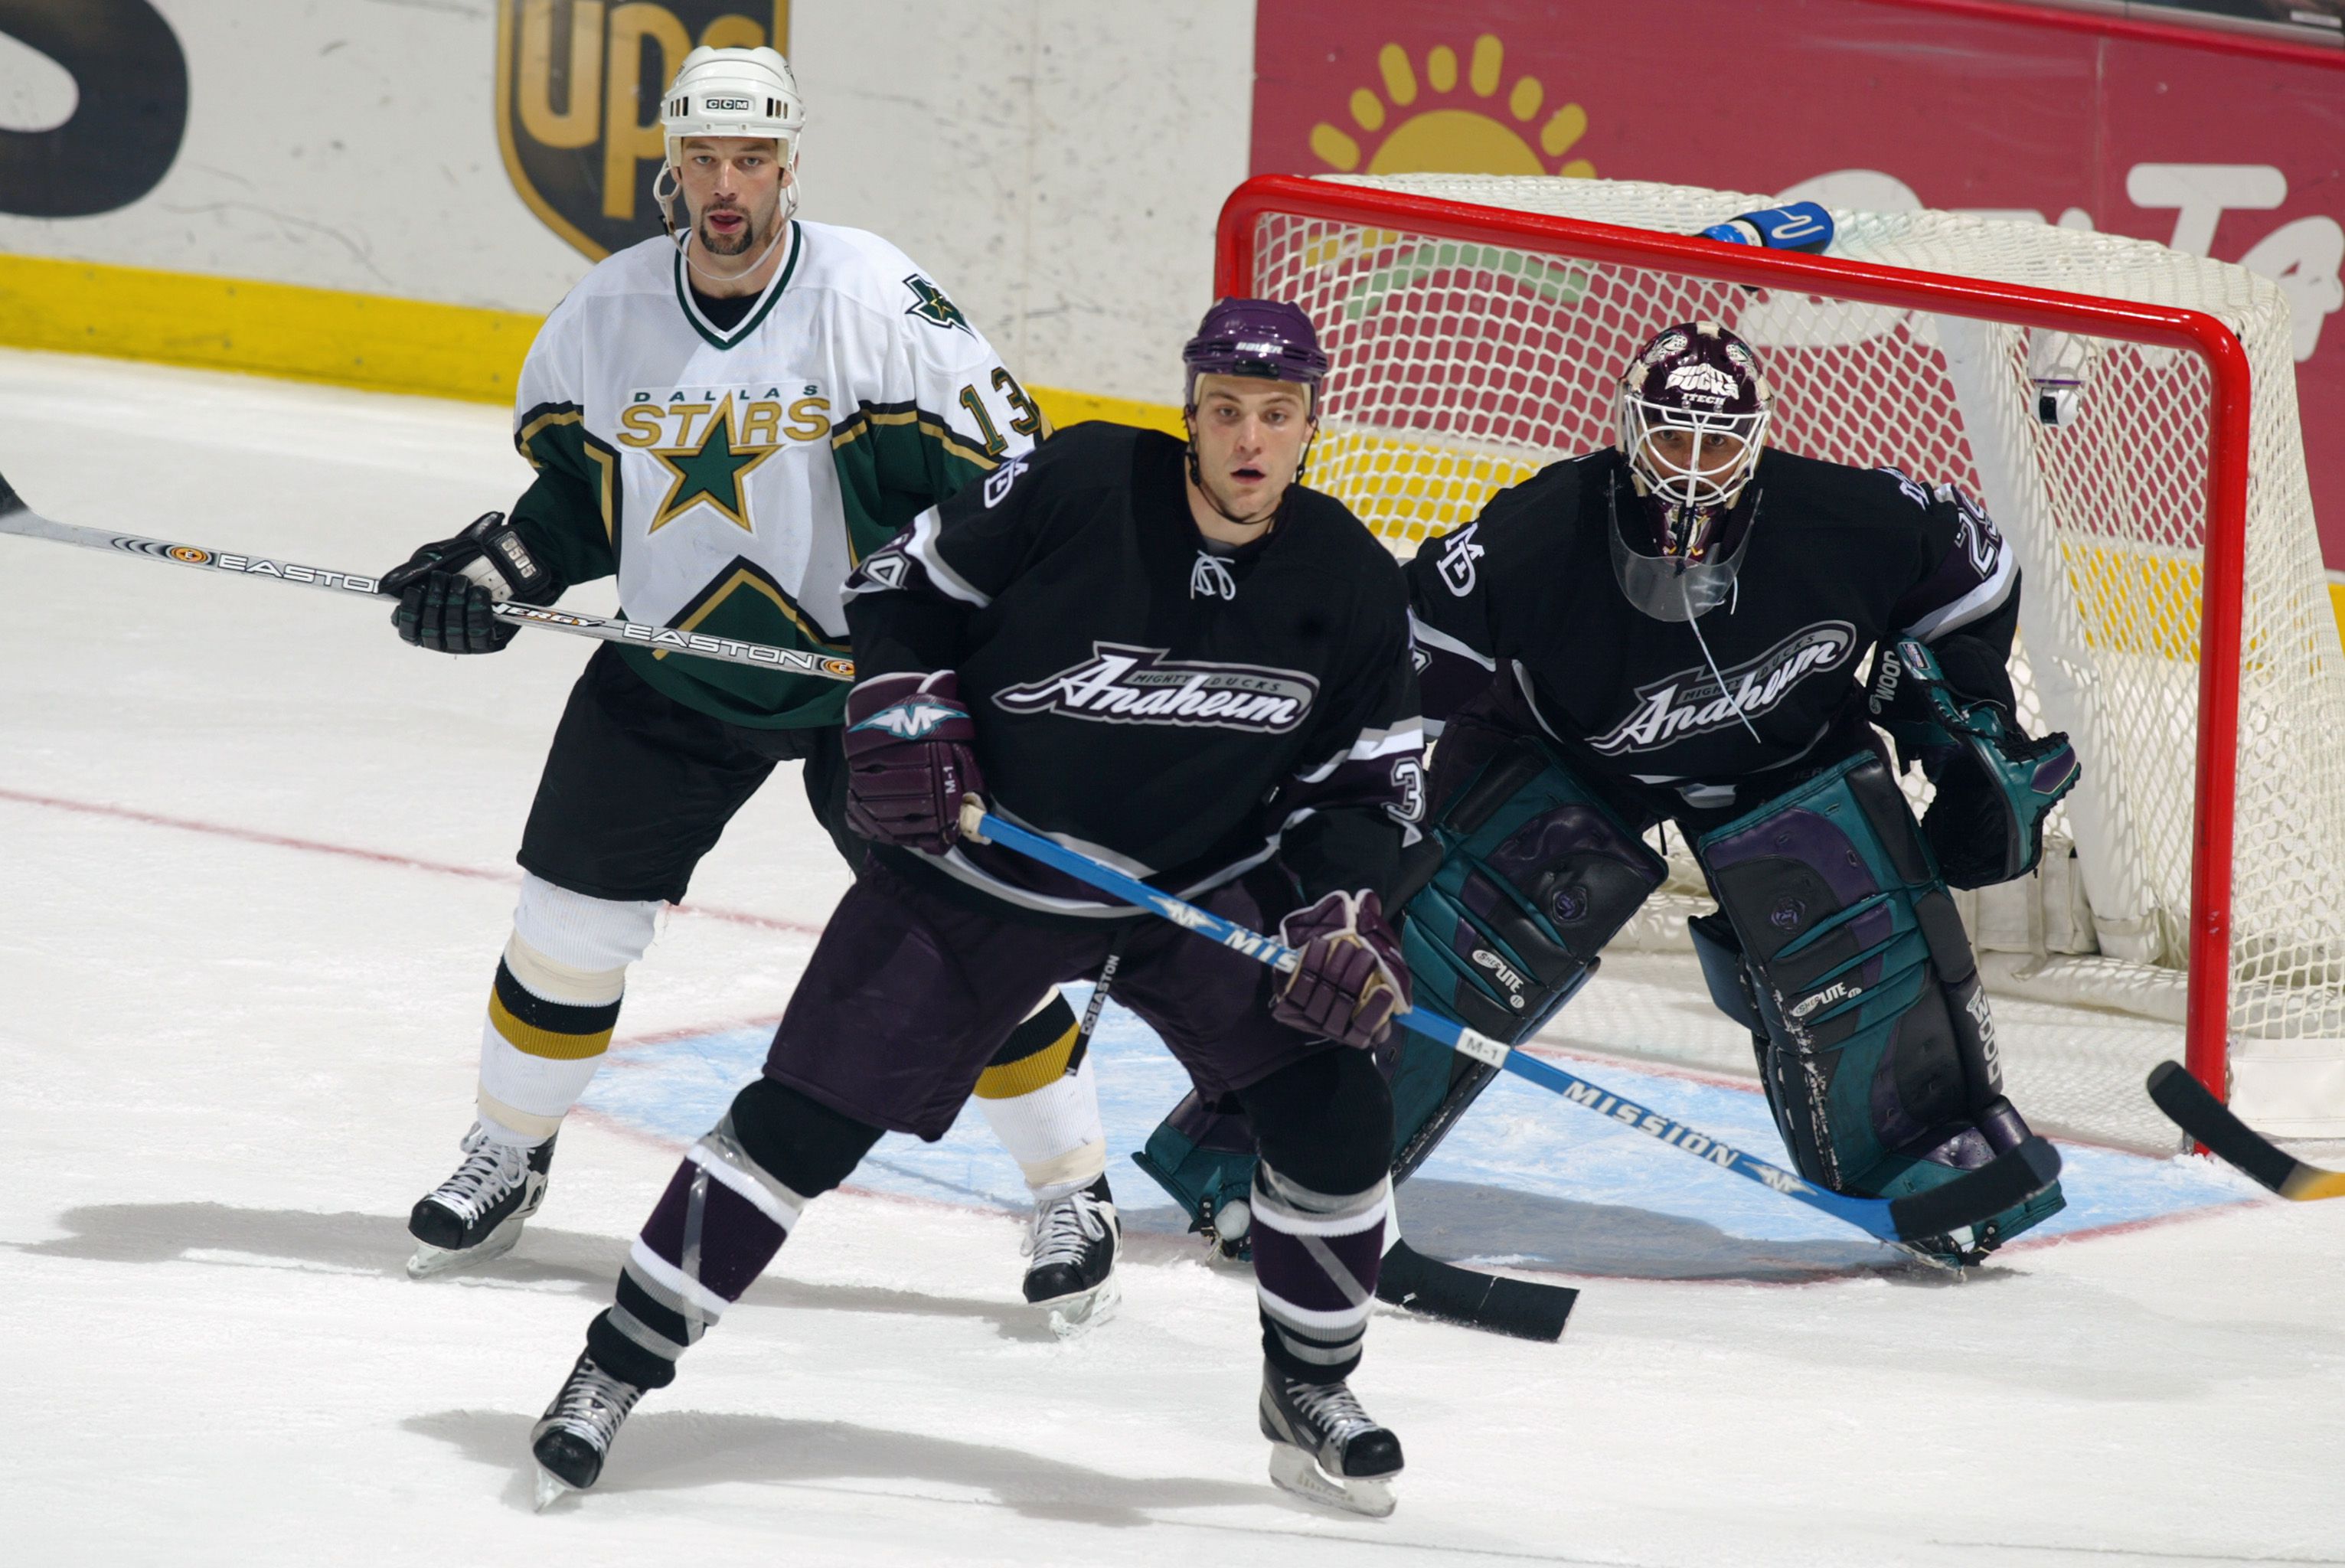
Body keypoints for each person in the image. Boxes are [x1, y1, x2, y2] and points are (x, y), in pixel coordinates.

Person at [524, 299, 1427, 1518]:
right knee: (796, 1128)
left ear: (1311, 425)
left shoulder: (1350, 581)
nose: (1247, 441)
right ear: (1190, 411)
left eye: (1274, 416)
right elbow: (899, 586)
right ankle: (611, 1372)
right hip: (977, 875)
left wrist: (1338, 911)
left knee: (1332, 1104)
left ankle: (1309, 1386)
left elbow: (1367, 786)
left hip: (1189, 891)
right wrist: (903, 700)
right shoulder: (1082, 482)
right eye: (1224, 411)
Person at [380, 45, 1116, 1321]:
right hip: (672, 668)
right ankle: (511, 1147)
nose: (726, 187)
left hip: (866, 686)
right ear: (672, 165)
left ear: (789, 164)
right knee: (567, 922)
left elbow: (1009, 499)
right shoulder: (607, 313)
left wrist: (964, 664)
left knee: (966, 938)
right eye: (704, 160)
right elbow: (578, 507)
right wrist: (499, 566)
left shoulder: (877, 301)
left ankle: (1072, 1183)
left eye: (752, 161)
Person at [1138, 319, 2076, 1264]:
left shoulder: (1848, 515)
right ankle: (1272, 1150)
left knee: (1854, 940)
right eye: (1672, 436)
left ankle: (1935, 1159)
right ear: (1630, 430)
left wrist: (1966, 707)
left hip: (1787, 763)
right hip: (1572, 758)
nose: (1693, 466)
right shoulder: (1544, 529)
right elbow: (1404, 651)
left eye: (1717, 443)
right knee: (1438, 942)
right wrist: (1340, 820)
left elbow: (1978, 569)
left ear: (1758, 445)